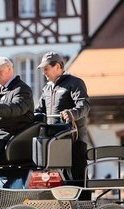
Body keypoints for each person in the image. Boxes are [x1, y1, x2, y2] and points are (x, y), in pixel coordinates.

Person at [35, 51, 91, 182]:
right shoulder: (46, 89)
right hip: (53, 140)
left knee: (78, 176)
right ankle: (66, 202)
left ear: (58, 67)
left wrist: (72, 113)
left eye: (46, 69)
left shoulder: (75, 82)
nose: (44, 72)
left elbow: (84, 104)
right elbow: (39, 111)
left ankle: (84, 202)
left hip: (75, 139)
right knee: (60, 178)